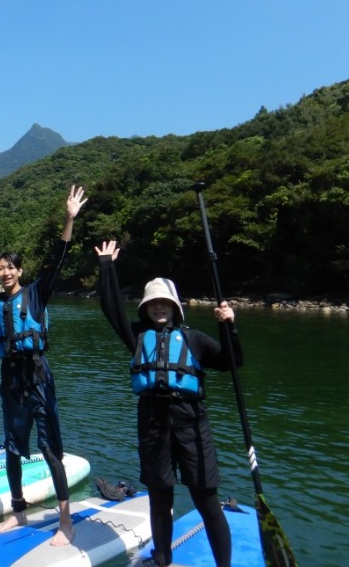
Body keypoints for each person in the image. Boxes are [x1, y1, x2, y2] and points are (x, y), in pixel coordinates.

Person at [0, 185, 88, 547]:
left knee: (50, 449)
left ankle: (65, 520)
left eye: (10, 267)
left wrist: (69, 218)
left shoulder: (37, 294)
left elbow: (59, 256)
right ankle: (18, 511)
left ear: (20, 270)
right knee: (12, 448)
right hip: (10, 380)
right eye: (0, 269)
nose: (4, 272)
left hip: (39, 377)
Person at [94, 239, 241, 567]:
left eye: (165, 302)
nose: (159, 307)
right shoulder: (136, 337)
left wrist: (229, 326)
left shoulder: (194, 339)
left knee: (207, 500)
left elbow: (232, 361)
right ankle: (162, 560)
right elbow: (110, 307)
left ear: (175, 306)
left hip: (191, 423)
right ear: (145, 308)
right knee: (160, 498)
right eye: (153, 303)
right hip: (152, 422)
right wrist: (107, 267)